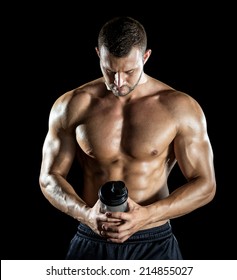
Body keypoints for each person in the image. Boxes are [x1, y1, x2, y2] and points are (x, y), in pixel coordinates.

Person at [39, 16, 216, 260]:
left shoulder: (179, 108)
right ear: (98, 54)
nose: (118, 82)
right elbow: (49, 178)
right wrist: (86, 215)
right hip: (92, 237)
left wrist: (148, 215)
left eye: (129, 71)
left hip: (153, 242)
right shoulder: (72, 105)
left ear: (145, 57)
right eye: (109, 71)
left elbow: (206, 185)